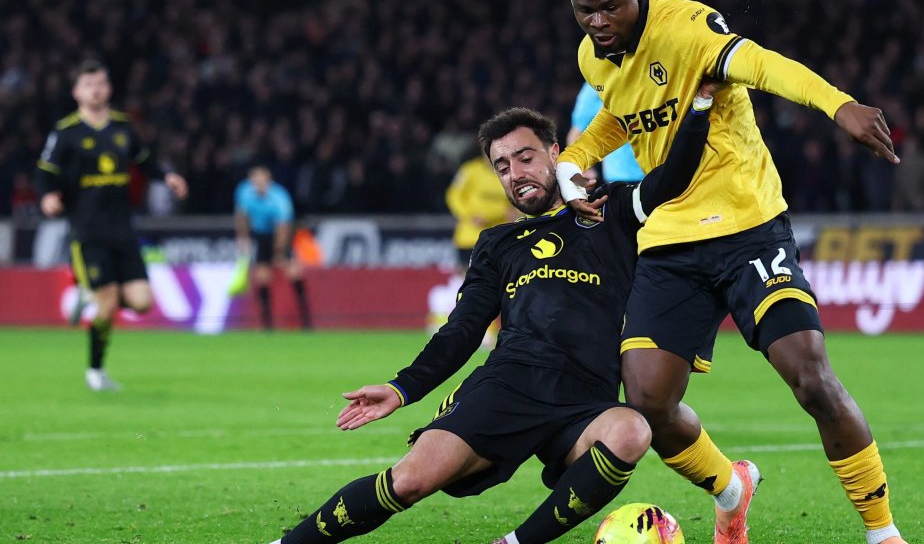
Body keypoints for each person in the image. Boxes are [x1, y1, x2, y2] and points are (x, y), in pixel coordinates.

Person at [548, 0, 906, 544]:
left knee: (811, 378)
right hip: (668, 237)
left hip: (748, 228)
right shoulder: (592, 55)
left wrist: (839, 105)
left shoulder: (691, 29)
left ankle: (883, 532)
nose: (599, 21)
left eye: (611, 6)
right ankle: (732, 489)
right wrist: (575, 156)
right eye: (586, 10)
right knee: (648, 403)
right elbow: (621, 115)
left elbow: (763, 65)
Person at [271, 82, 720, 544]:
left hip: (586, 398)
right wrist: (402, 388)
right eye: (502, 166)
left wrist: (701, 104)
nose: (515, 173)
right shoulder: (498, 243)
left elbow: (674, 176)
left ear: (555, 153)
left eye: (525, 158)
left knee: (632, 430)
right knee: (408, 482)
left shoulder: (610, 210)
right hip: (508, 385)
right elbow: (464, 328)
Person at [34, 60, 189, 391]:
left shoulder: (122, 125)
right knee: (107, 303)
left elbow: (144, 161)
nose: (96, 90)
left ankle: (88, 293)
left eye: (100, 84)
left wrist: (167, 177)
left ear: (109, 89)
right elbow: (44, 173)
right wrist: (47, 197)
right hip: (88, 231)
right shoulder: (66, 131)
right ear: (76, 92)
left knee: (142, 302)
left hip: (123, 230)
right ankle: (96, 371)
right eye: (89, 85)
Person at [432, 153, 518, 345]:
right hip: (469, 237)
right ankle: (455, 326)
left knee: (498, 285)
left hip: (498, 237)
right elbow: (453, 195)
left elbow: (515, 203)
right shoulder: (470, 170)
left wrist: (511, 212)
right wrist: (469, 215)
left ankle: (488, 329)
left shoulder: (510, 172)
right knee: (467, 285)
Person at [234, 165, 313, 331]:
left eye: (261, 181)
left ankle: (306, 319)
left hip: (280, 234)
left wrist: (279, 252)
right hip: (261, 234)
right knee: (262, 277)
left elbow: (283, 227)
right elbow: (242, 217)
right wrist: (243, 238)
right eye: (255, 181)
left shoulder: (279, 197)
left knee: (293, 272)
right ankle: (267, 323)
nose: (258, 185)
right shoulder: (244, 192)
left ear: (269, 181)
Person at [567, 82, 645, 183]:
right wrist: (584, 169)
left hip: (659, 172)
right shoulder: (595, 85)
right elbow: (577, 132)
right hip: (621, 178)